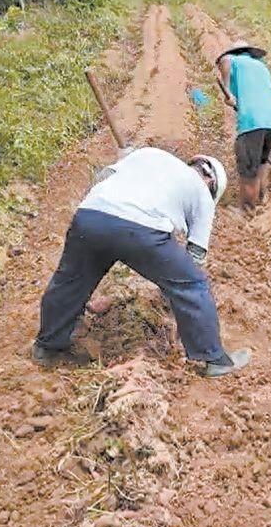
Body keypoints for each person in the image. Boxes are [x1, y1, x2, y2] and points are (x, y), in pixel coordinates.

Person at [32, 147, 251, 377]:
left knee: (71, 281)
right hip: (140, 230)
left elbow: (103, 178)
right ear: (210, 180)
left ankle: (47, 348)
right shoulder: (202, 193)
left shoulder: (148, 154)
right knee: (193, 285)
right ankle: (215, 359)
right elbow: (195, 255)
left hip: (90, 215)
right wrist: (174, 294)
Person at [216, 40, 271, 210]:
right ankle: (261, 198)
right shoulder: (260, 66)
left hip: (252, 118)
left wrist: (228, 93)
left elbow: (224, 62)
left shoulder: (232, 59)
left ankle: (247, 209)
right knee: (262, 160)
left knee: (247, 167)